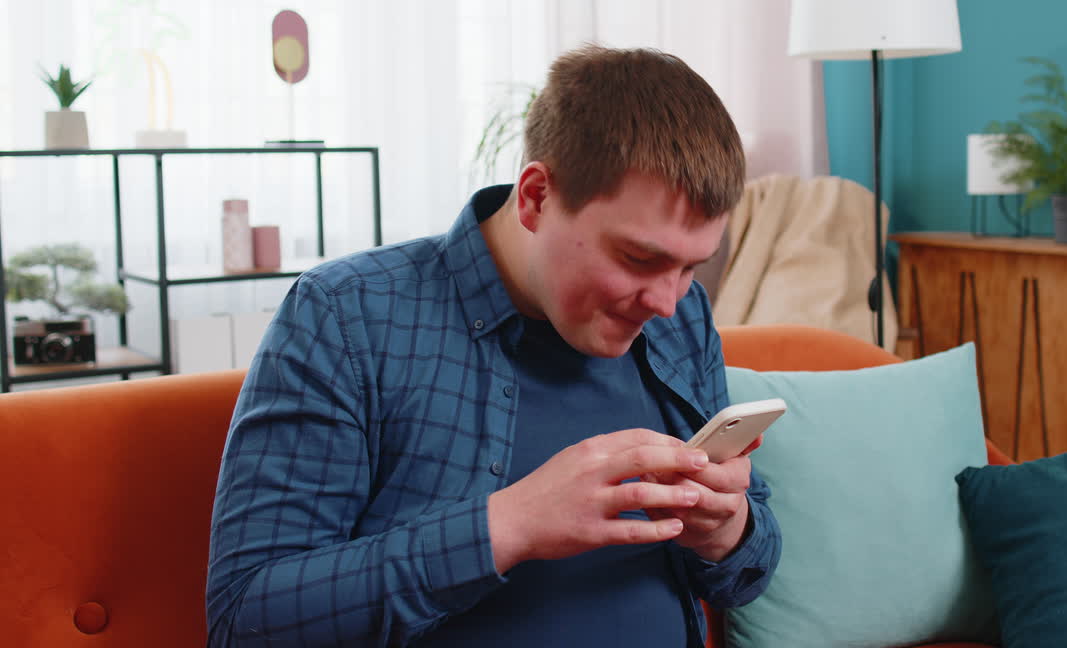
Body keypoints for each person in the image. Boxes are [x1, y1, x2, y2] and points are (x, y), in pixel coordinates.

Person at [206, 45, 781, 647]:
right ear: (536, 198)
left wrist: (726, 531)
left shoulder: (682, 317)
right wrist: (509, 526)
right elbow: (244, 620)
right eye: (639, 258)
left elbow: (751, 570)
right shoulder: (348, 316)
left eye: (691, 267)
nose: (666, 301)